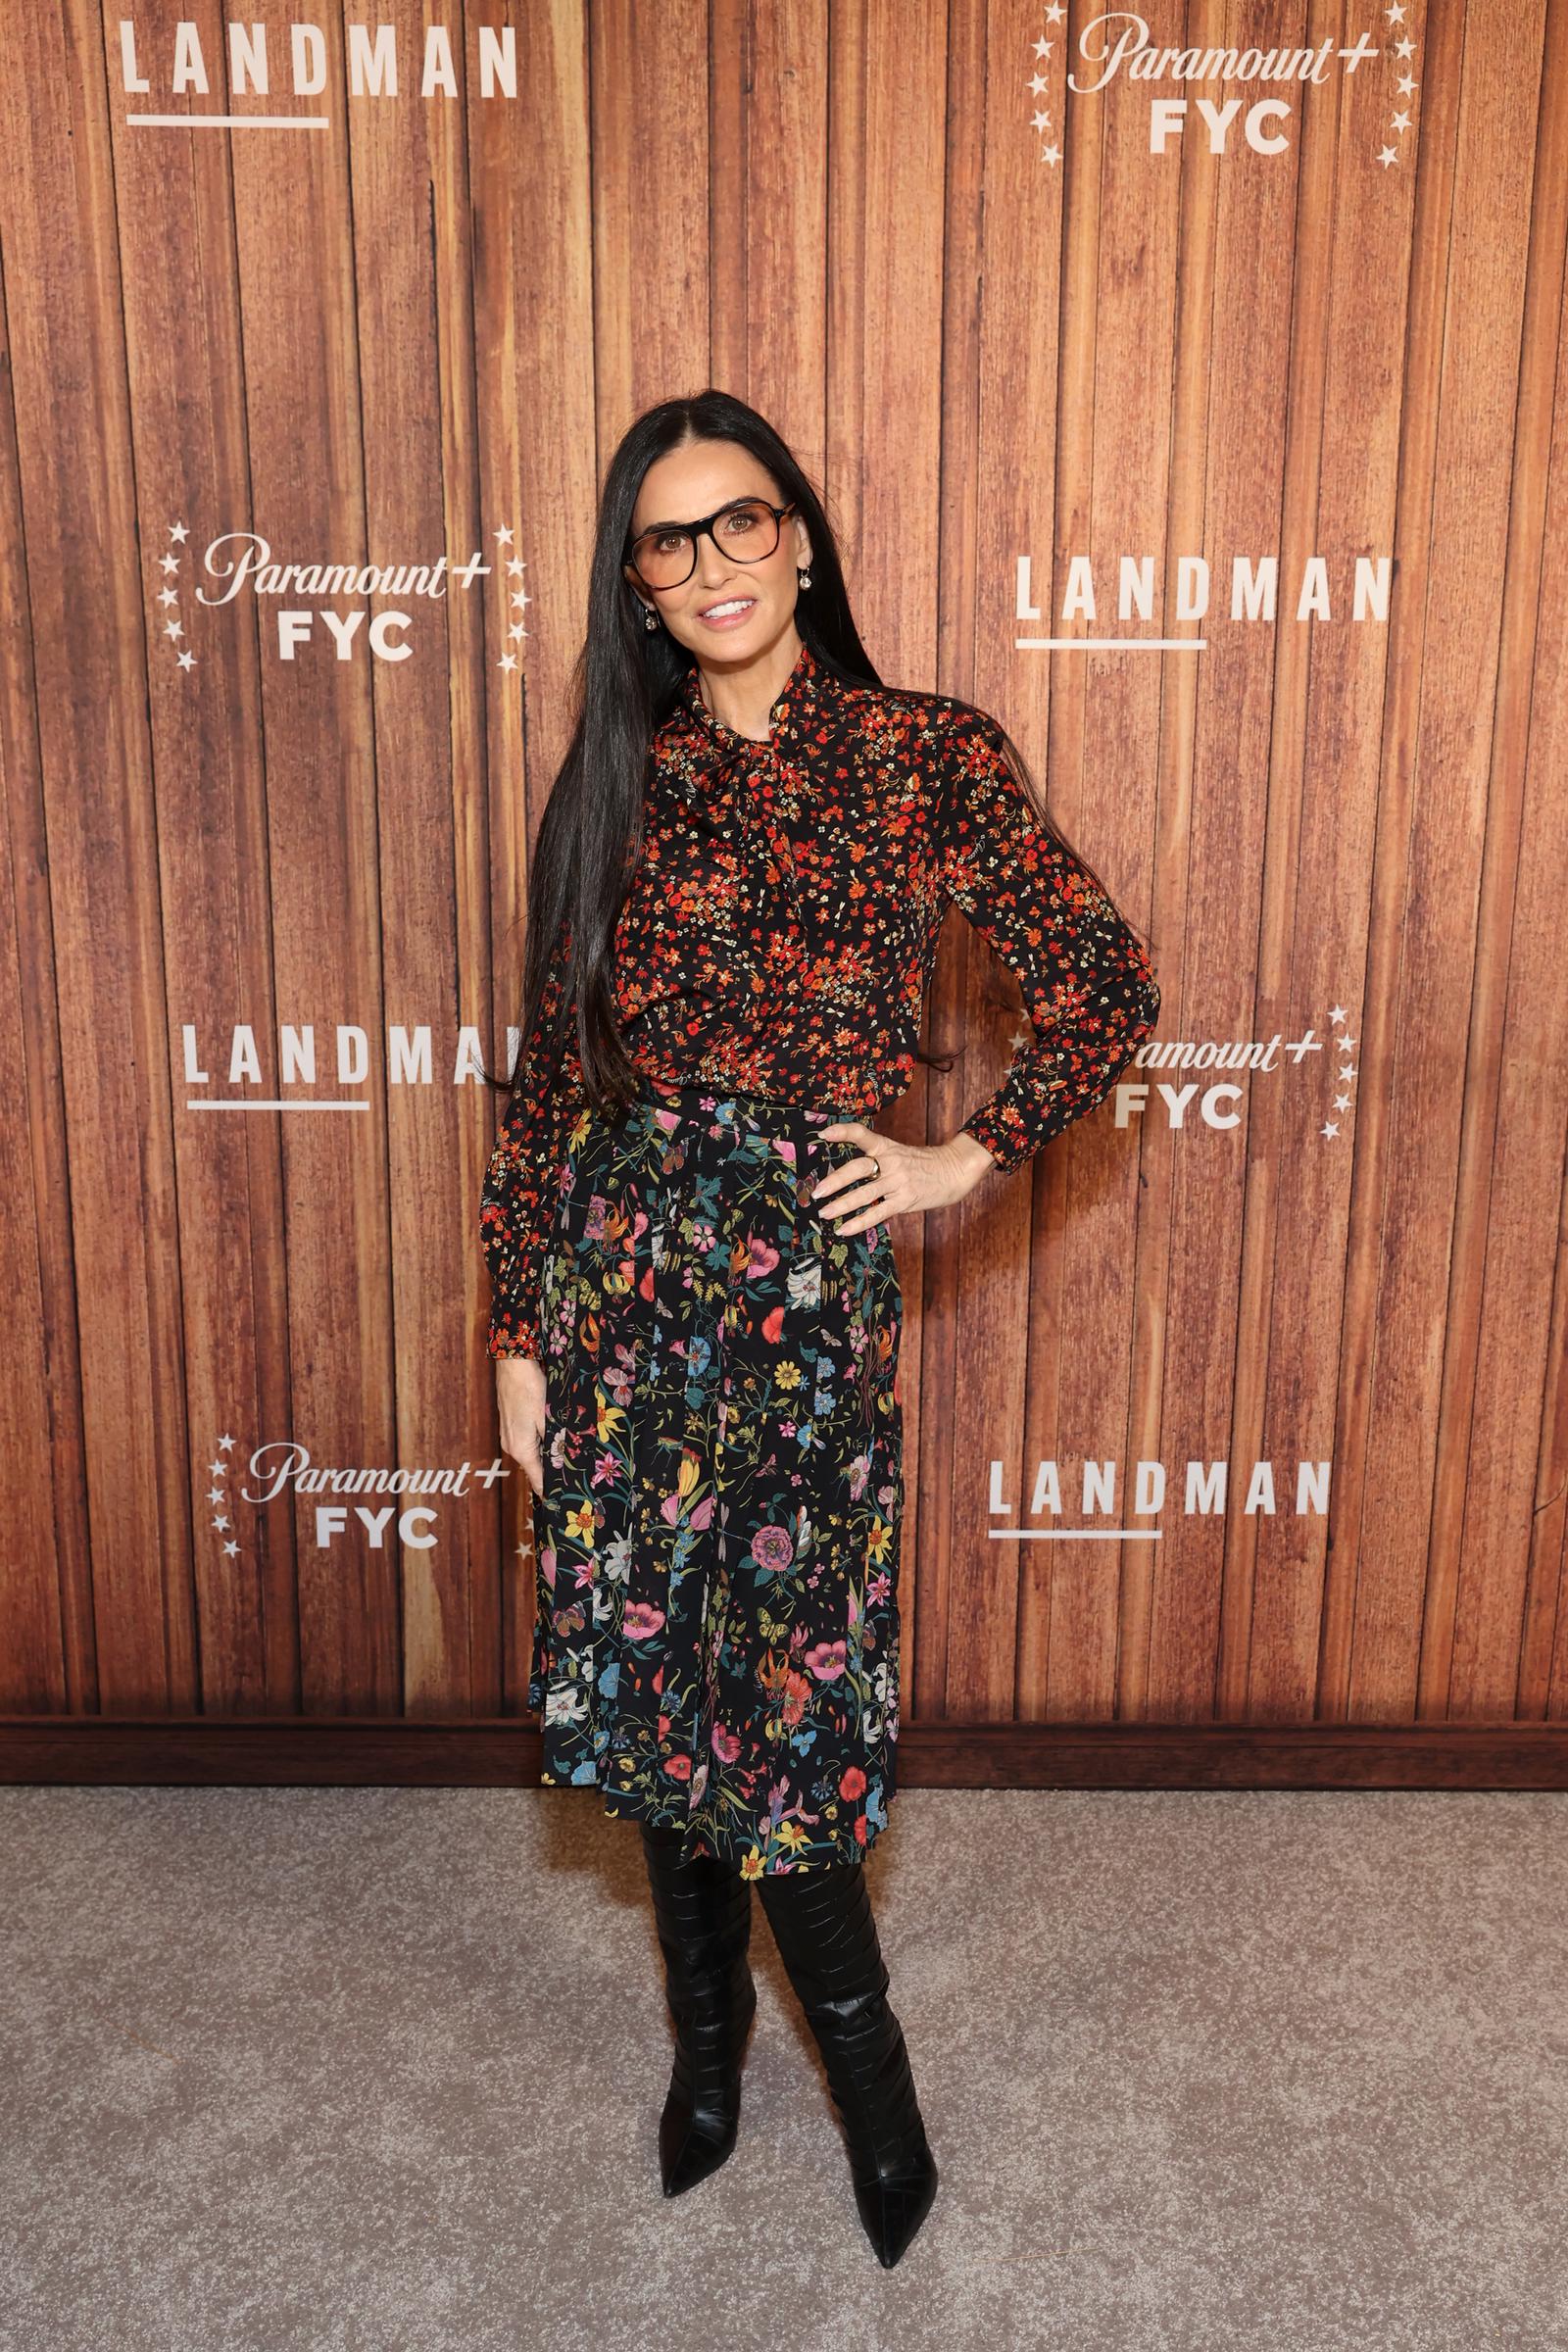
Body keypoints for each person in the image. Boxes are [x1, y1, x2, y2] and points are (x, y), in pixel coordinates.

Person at [478, 389, 1160, 2269]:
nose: (712, 565)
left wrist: (966, 1160)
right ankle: (705, 2059)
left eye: (742, 522)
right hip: (622, 1287)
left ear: (801, 538)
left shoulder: (923, 754)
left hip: (798, 1295)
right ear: (634, 584)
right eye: (667, 540)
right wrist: (521, 1339)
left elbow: (1104, 982)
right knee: (653, 1691)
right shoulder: (616, 784)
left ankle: (874, 2090)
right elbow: (552, 1085)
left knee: (782, 1700)